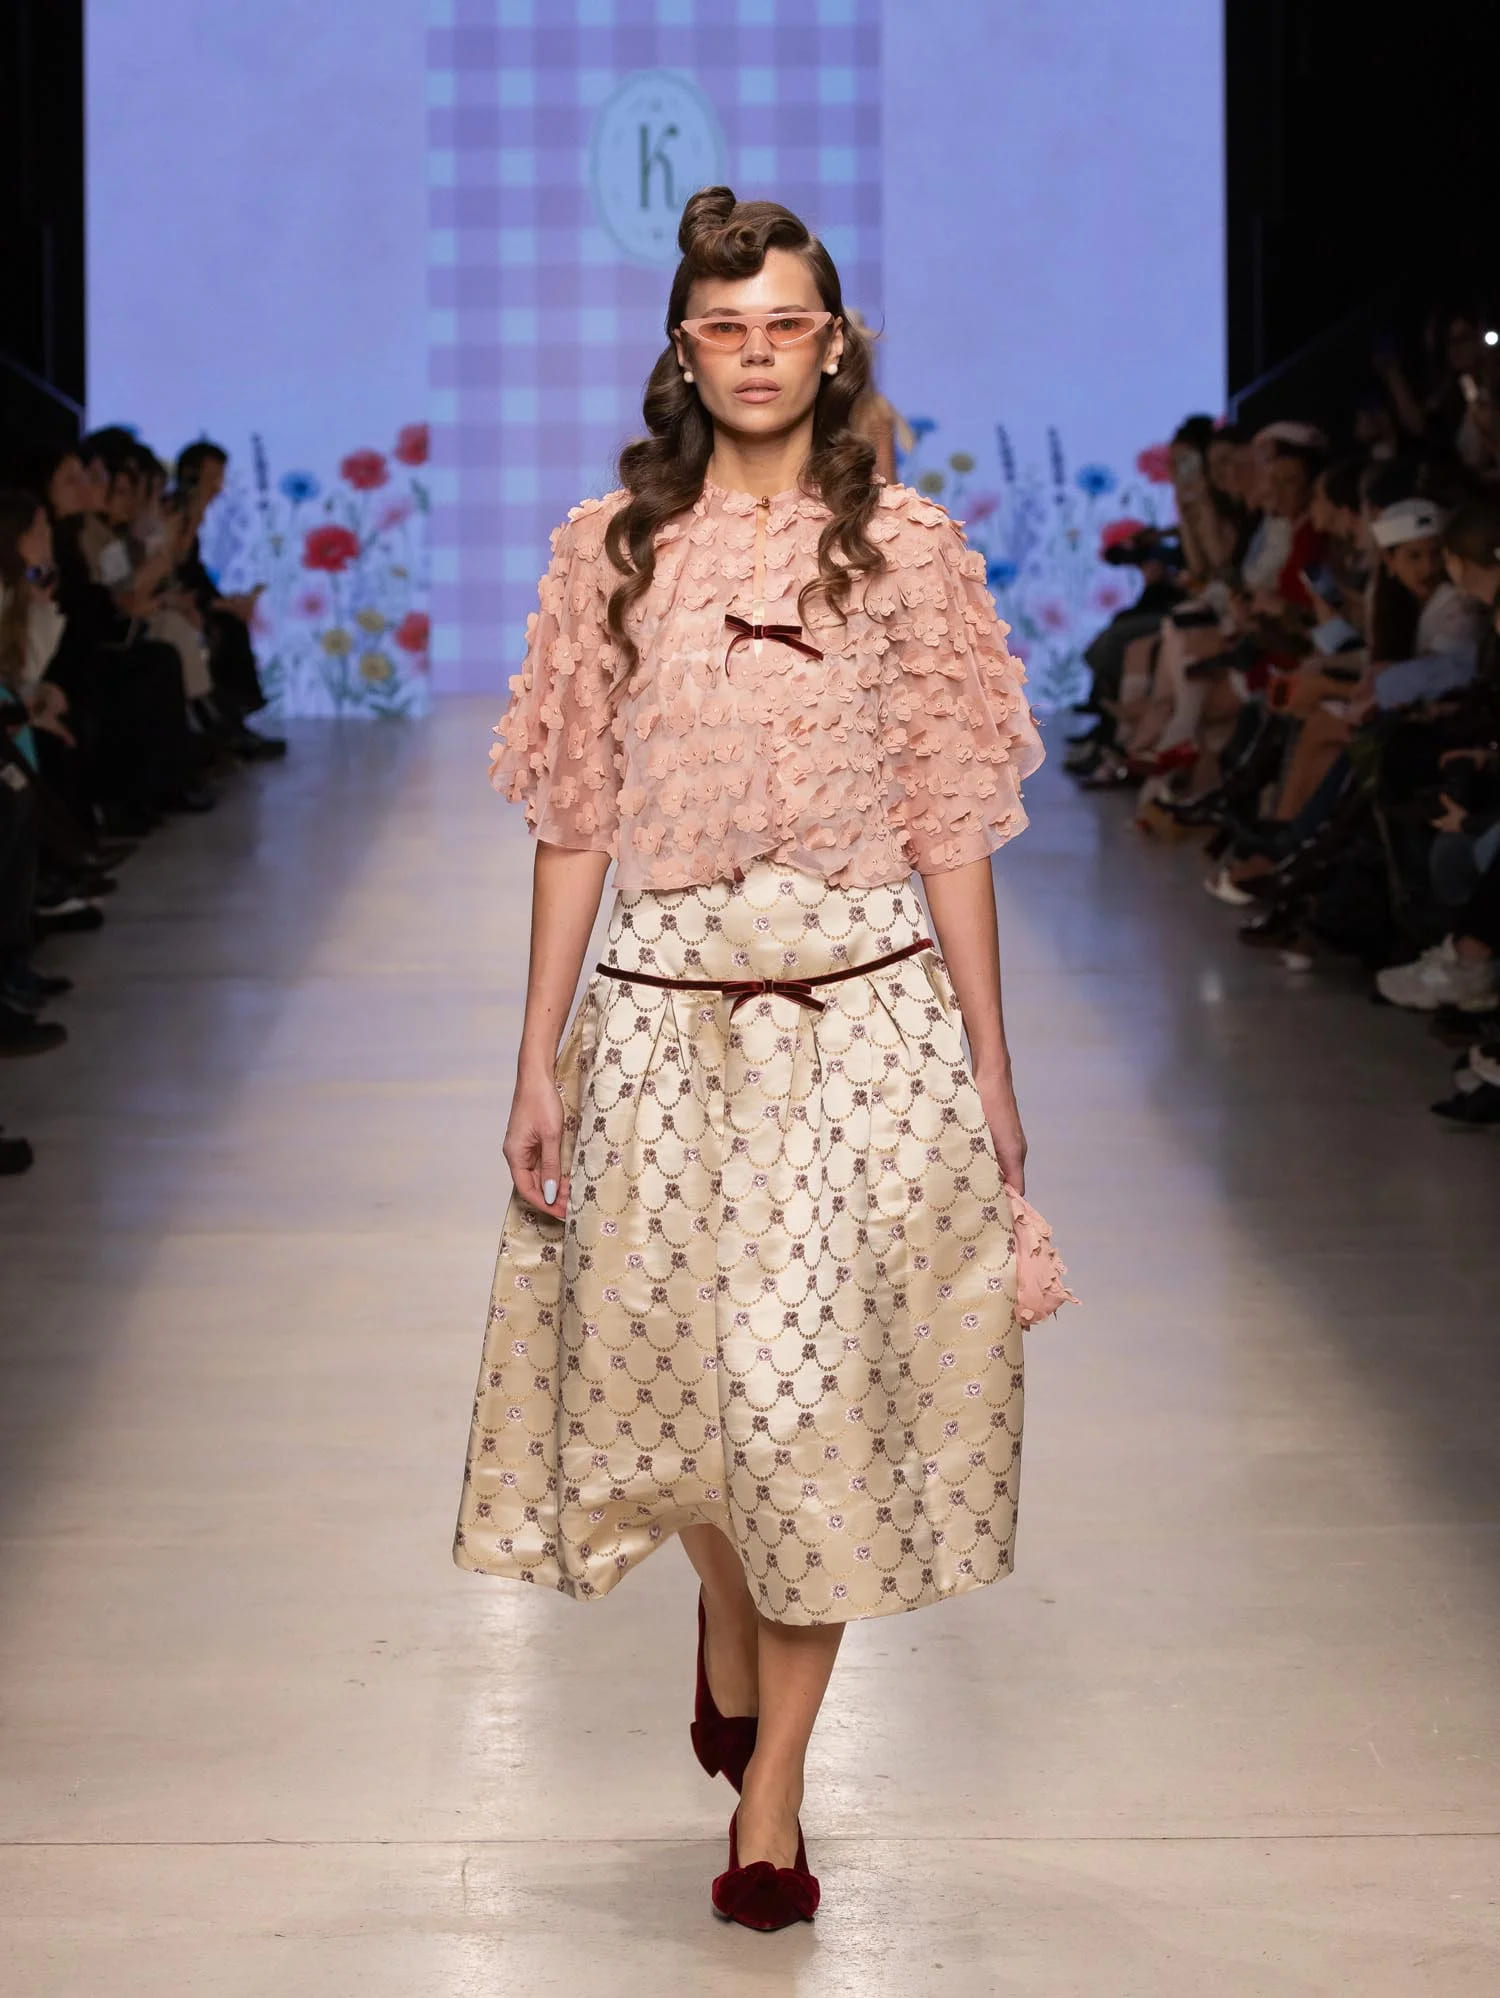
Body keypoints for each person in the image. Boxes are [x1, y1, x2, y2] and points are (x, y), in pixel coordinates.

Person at [451, 187, 1047, 1933]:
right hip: (658, 1022)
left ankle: (773, 1791)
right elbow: (574, 816)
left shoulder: (912, 551)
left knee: (811, 1410)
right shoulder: (610, 550)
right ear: (684, 350)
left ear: (832, 342)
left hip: (862, 1020)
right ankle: (723, 1600)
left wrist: (993, 1064)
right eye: (727, 327)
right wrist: (536, 1054)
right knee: (683, 1398)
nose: (759, 353)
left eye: (788, 323)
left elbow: (951, 818)